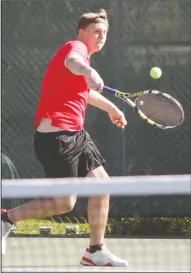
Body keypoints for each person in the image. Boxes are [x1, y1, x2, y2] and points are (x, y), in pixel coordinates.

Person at [1, 9, 128, 266]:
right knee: (64, 203)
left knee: (102, 186)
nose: (101, 36)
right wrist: (89, 72)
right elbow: (73, 61)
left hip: (76, 133)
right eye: (96, 31)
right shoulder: (76, 48)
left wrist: (112, 109)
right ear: (82, 32)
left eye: (105, 32)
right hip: (57, 135)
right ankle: (6, 218)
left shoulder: (84, 65)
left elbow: (86, 94)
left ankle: (95, 250)